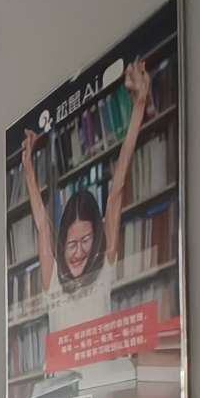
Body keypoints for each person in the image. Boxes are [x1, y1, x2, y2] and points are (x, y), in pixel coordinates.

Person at [20, 57, 153, 338]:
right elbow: (43, 225)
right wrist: (28, 169)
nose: (78, 252)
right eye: (71, 244)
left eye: (85, 241)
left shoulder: (104, 266)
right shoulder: (53, 281)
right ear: (61, 247)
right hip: (62, 368)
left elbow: (116, 193)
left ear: (98, 239)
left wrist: (139, 105)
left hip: (105, 367)